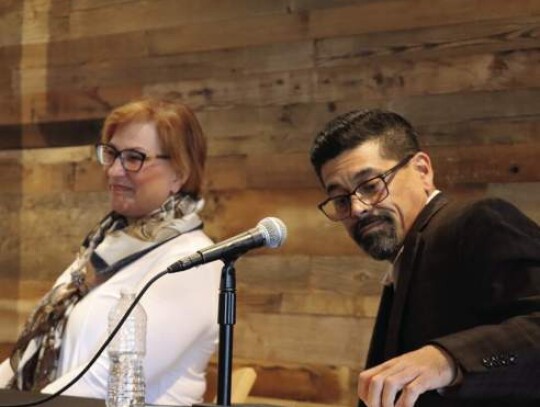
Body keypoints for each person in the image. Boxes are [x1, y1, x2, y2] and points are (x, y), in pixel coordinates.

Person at [309, 109, 540, 407]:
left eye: (371, 185)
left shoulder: (479, 219)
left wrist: (448, 360)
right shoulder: (405, 260)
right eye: (341, 199)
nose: (357, 208)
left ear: (422, 170)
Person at [0, 98, 222, 406]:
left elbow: (102, 382)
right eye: (112, 154)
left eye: (135, 158)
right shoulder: (105, 247)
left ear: (179, 173)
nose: (115, 171)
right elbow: (29, 356)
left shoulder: (193, 261)